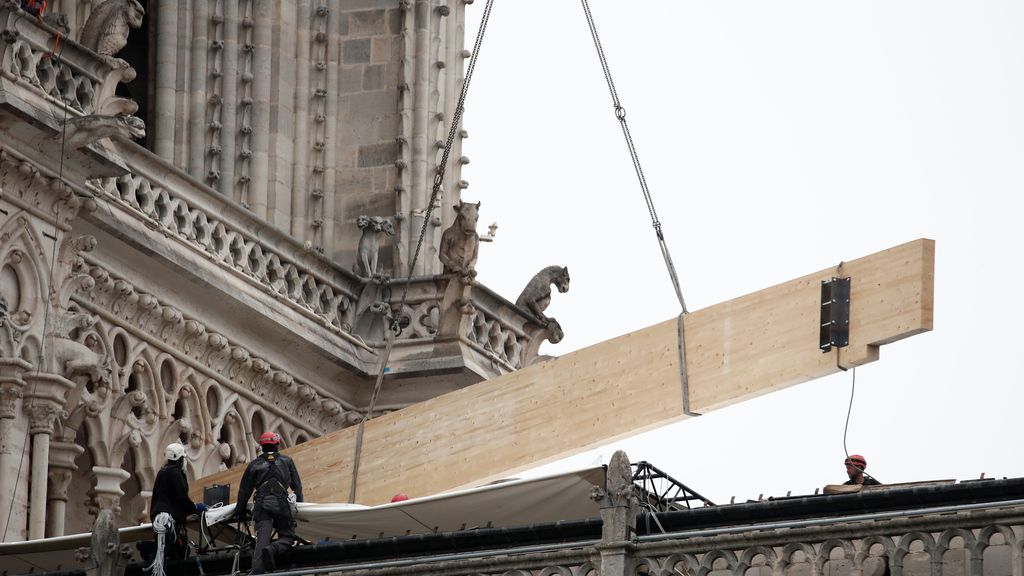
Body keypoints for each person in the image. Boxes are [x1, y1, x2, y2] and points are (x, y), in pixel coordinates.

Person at [234, 432, 304, 574]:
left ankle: (257, 572)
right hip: (281, 506)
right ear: (277, 444)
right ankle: (273, 549)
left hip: (262, 507)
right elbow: (297, 487)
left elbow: (244, 491)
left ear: (261, 446)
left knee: (262, 541)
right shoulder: (287, 461)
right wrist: (300, 505)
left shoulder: (254, 464)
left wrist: (239, 511)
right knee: (288, 537)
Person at [144, 443, 208, 565]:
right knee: (167, 554)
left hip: (162, 519)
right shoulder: (175, 473)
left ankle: (146, 547)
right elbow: (181, 497)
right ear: (180, 458)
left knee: (165, 552)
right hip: (168, 521)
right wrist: (194, 507)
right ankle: (146, 548)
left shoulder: (162, 472)